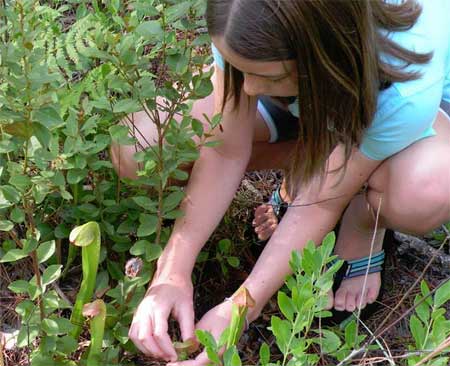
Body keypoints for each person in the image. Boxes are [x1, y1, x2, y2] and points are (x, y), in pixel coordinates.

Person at [111, 1, 450, 364]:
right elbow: (225, 150)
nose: (251, 88)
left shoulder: (406, 85)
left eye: (268, 77)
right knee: (142, 145)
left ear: (322, 50)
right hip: (304, 93)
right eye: (242, 70)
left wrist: (242, 308)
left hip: (385, 102)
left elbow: (322, 201)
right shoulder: (244, 18)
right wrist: (171, 272)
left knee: (427, 187)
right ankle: (322, 159)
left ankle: (363, 210)